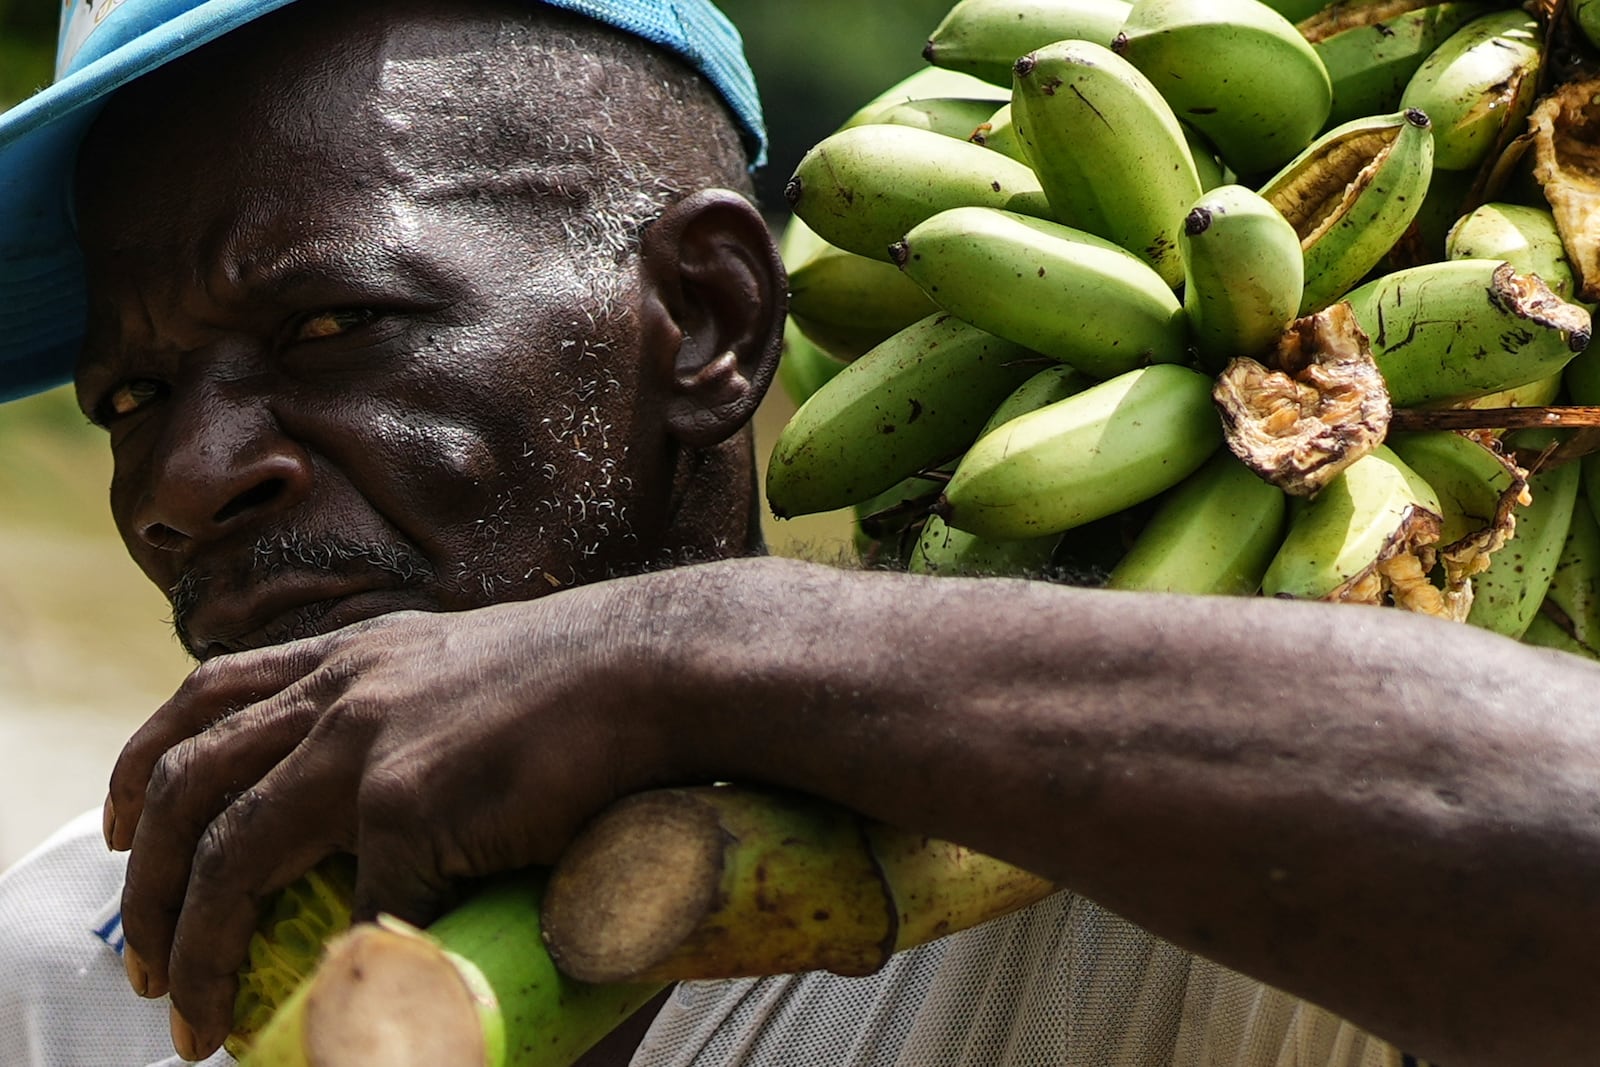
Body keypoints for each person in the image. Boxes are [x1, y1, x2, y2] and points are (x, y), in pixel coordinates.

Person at [2, 0, 1599, 1065]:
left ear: (704, 319)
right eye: (133, 395)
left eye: (334, 323)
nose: (178, 486)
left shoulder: (1144, 880)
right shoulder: (70, 980)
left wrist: (697, 652)